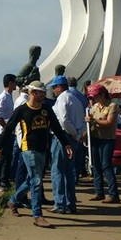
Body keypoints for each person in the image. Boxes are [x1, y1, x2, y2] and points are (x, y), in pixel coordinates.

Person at [0, 81, 73, 228]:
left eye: (43, 92)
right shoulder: (22, 110)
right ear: (32, 93)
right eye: (39, 92)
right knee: (36, 181)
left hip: (43, 149)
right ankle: (37, 215)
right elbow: (8, 127)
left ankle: (13, 200)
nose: (42, 95)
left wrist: (66, 143)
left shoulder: (46, 109)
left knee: (31, 180)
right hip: (28, 148)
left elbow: (56, 127)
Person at [48, 75, 85, 214]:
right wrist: (77, 134)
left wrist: (72, 133)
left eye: (54, 87)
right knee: (69, 172)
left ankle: (59, 203)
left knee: (57, 171)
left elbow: (63, 120)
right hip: (74, 137)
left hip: (63, 137)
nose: (53, 90)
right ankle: (71, 203)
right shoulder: (77, 99)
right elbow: (82, 120)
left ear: (59, 87)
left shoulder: (62, 98)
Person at [86, 84, 121, 203]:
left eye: (95, 96)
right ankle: (99, 191)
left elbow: (110, 122)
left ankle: (113, 194)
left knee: (106, 165)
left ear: (102, 95)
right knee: (96, 165)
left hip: (108, 139)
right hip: (95, 138)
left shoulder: (112, 106)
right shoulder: (94, 107)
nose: (94, 99)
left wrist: (94, 120)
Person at [0, 74, 17, 192]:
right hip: (2, 132)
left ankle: (4, 180)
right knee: (1, 157)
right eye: (15, 82)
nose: (16, 84)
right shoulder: (4, 97)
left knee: (7, 157)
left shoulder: (9, 96)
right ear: (10, 83)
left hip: (7, 132)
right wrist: (7, 128)